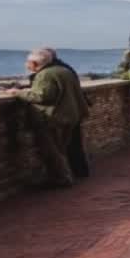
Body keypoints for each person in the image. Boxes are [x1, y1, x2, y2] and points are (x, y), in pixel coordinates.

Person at [21, 47, 84, 188]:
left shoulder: (45, 75)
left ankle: (62, 179)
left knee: (52, 150)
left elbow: (42, 97)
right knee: (60, 149)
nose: (26, 64)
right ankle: (62, 176)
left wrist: (16, 93)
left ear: (36, 64)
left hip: (52, 118)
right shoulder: (64, 70)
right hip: (70, 116)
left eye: (28, 62)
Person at [45, 49, 93, 178]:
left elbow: (45, 95)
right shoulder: (65, 68)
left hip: (64, 113)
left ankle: (65, 175)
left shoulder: (52, 71)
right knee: (74, 143)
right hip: (75, 110)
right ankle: (80, 170)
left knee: (64, 145)